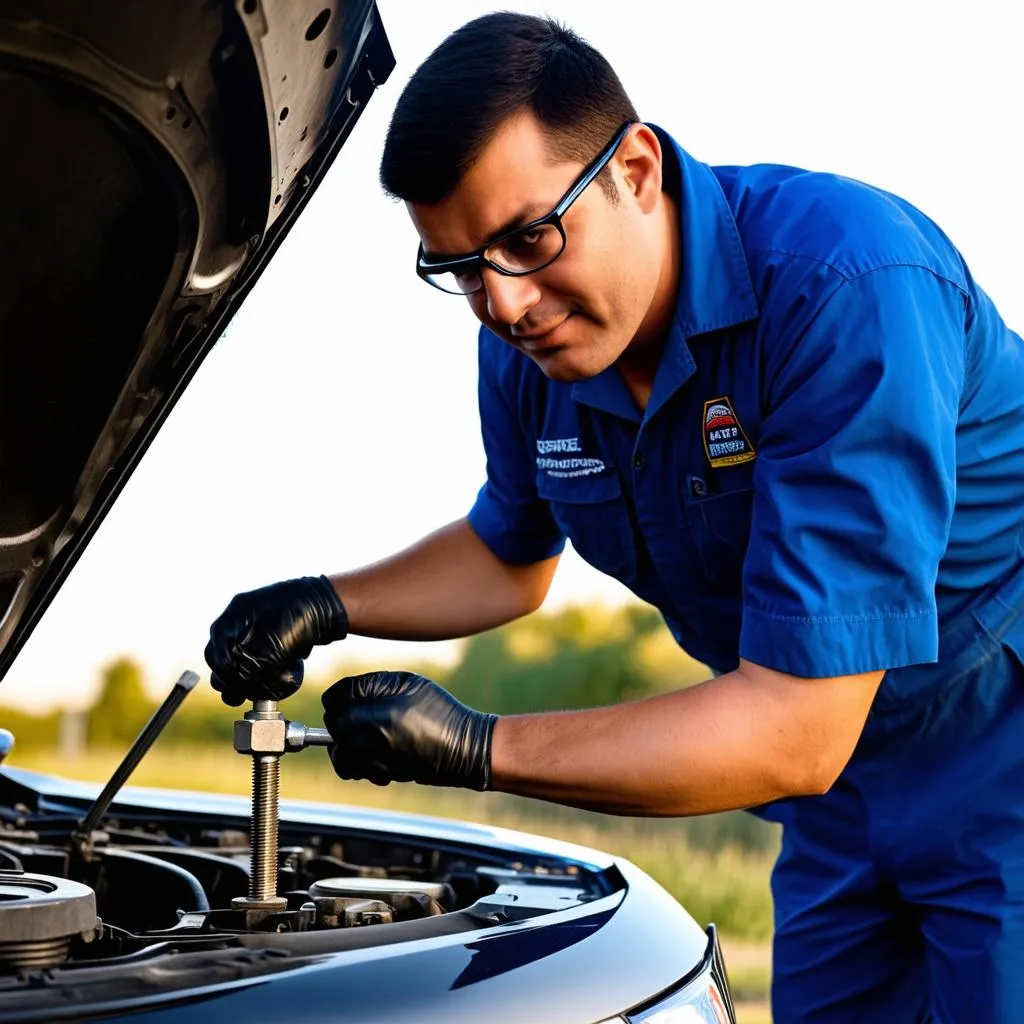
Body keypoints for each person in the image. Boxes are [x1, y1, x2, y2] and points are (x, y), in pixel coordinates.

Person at [204, 12, 1024, 1022]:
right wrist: (329, 602)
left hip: (997, 749)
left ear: (635, 169)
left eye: (525, 238)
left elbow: (796, 727)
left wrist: (480, 746)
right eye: (459, 267)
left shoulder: (846, 288)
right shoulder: (530, 347)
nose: (502, 303)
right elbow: (511, 551)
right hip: (837, 794)